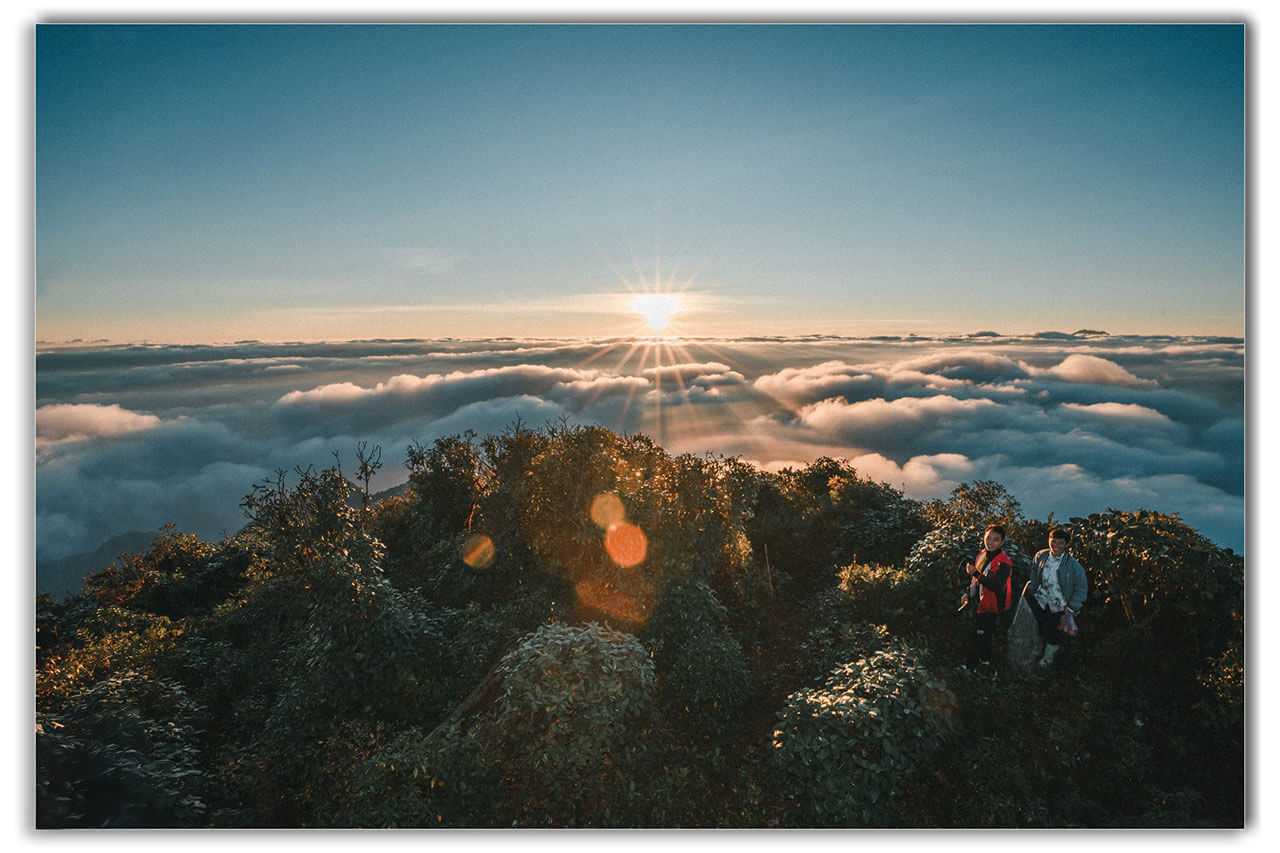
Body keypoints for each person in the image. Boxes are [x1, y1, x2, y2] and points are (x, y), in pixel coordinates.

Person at [1023, 526, 1087, 667]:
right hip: (1040, 599)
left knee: (1053, 632)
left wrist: (1072, 608)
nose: (1056, 546)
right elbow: (1034, 570)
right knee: (1035, 626)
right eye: (1053, 542)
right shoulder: (1041, 555)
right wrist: (1033, 588)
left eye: (1061, 543)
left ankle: (1047, 660)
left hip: (1059, 605)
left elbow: (1081, 588)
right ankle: (1033, 652)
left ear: (1066, 545)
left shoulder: (1073, 566)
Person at [963, 524, 1014, 669]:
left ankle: (970, 667)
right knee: (984, 635)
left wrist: (976, 573)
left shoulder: (1005, 562)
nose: (990, 542)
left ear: (1002, 542)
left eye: (996, 540)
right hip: (981, 601)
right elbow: (975, 582)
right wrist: (968, 594)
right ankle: (985, 663)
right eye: (988, 538)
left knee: (978, 634)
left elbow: (997, 586)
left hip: (994, 605)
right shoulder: (981, 555)